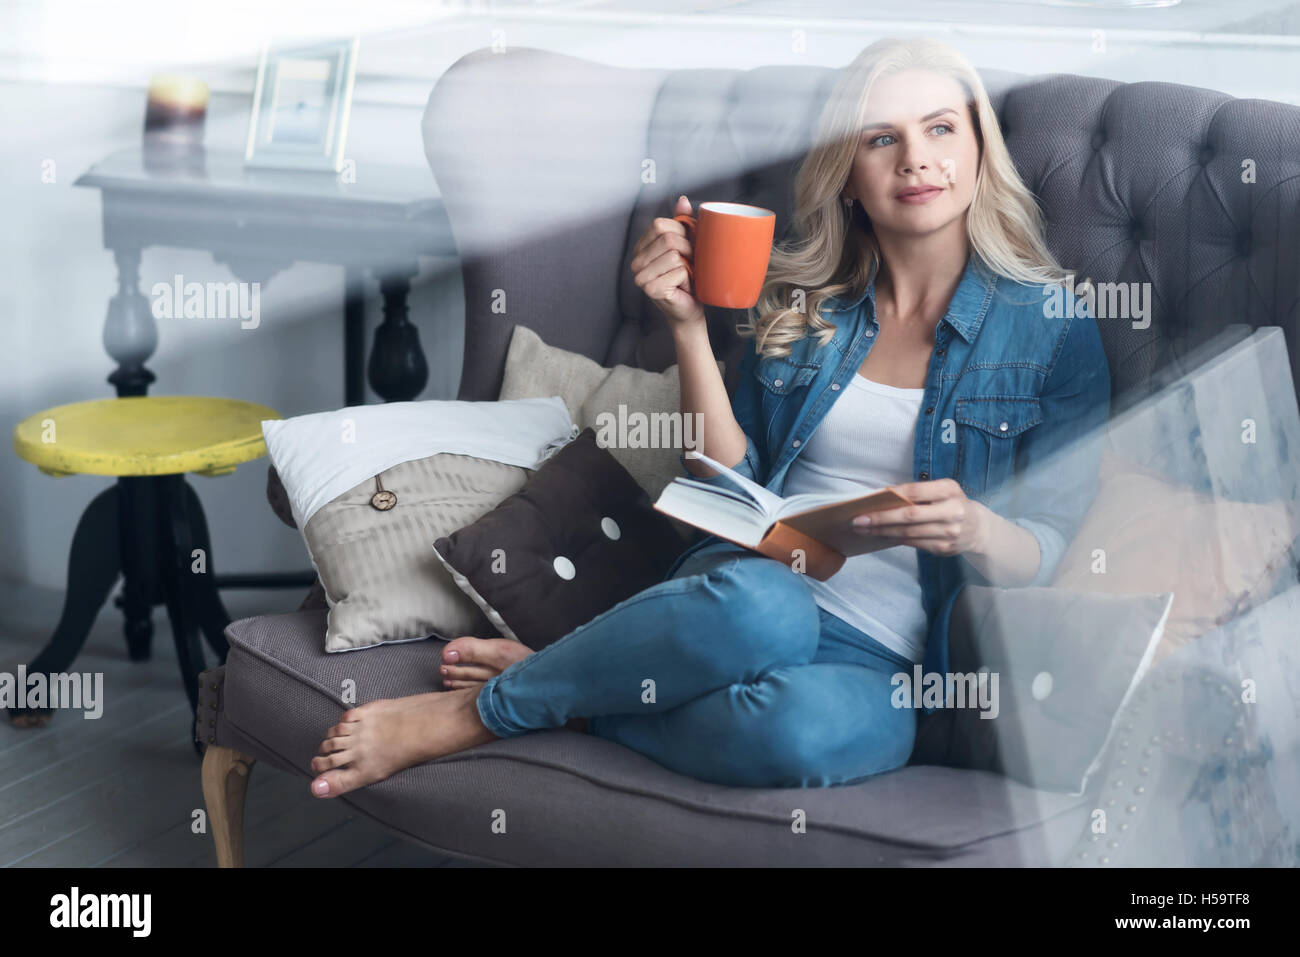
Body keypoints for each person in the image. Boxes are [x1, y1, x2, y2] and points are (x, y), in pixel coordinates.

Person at [307, 36, 1111, 798]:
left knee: (806, 738)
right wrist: (688, 328)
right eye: (880, 138)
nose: (917, 159)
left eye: (941, 127)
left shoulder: (1052, 329)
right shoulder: (808, 309)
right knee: (771, 606)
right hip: (747, 601)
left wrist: (973, 528)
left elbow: (1052, 546)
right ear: (848, 175)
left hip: (894, 661)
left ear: (977, 147)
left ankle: (573, 693)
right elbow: (729, 486)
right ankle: (478, 714)